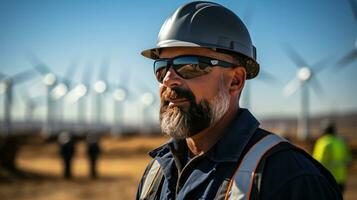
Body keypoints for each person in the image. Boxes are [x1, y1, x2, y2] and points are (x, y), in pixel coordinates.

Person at [136, 1, 342, 199]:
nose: (168, 79)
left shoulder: (289, 179)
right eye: (162, 67)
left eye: (190, 66)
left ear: (235, 80)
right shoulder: (157, 172)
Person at [313, 121, 352, 193]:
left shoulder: (322, 142)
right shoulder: (341, 142)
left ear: (324, 131)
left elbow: (317, 162)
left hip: (327, 178)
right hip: (341, 179)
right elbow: (348, 160)